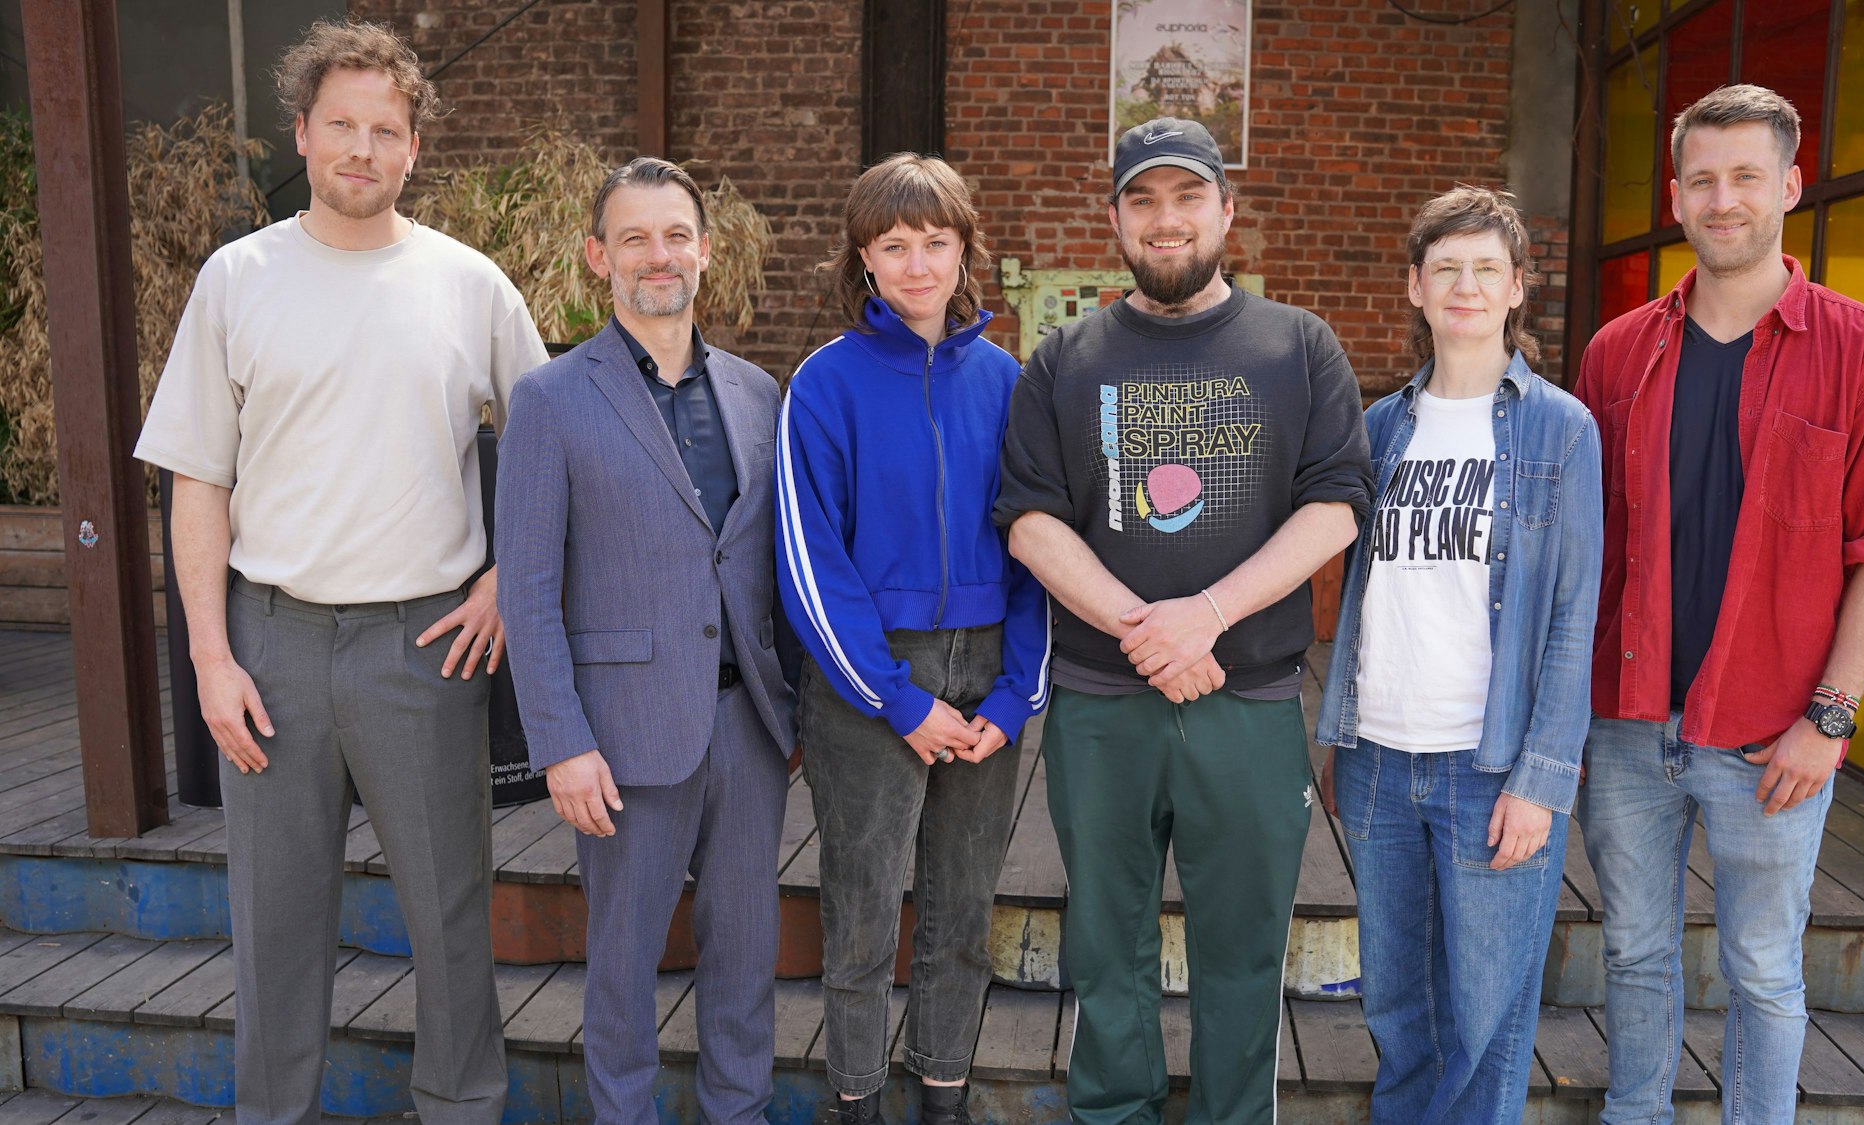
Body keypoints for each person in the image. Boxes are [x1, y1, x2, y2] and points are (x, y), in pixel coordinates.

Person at [131, 20, 546, 1125]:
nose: (363, 148)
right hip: (273, 645)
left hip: (426, 644)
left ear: (414, 148)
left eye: (386, 130)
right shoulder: (237, 279)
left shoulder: (470, 284)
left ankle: (460, 1107)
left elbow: (553, 455)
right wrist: (210, 658)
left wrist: (506, 581)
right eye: (343, 125)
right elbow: (197, 481)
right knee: (274, 919)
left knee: (450, 913)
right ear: (303, 133)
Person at [995, 117, 1374, 1125]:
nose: (1166, 220)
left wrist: (1205, 616)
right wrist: (1147, 630)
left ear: (1226, 209)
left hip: (1246, 705)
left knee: (1243, 952)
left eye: (1187, 196)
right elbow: (1030, 521)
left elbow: (1336, 506)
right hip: (1101, 706)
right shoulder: (1063, 358)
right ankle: (1112, 1112)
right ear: (1114, 218)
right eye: (1143, 200)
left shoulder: (1297, 346)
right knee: (1102, 946)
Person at [1575, 85, 1864, 1124]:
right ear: (1674, 197)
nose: (1721, 199)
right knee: (1633, 951)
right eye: (1701, 179)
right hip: (1626, 723)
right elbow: (1585, 549)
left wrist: (1829, 717)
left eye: (1744, 176)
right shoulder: (1616, 352)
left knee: (1764, 970)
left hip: (1775, 734)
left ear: (1789, 185)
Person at [494, 158, 797, 1125]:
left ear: (704, 251)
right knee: (622, 966)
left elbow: (771, 563)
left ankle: (738, 1112)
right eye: (634, 238)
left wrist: (792, 707)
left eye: (674, 236)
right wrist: (561, 744)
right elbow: (527, 590)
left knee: (746, 955)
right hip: (620, 737)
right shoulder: (550, 399)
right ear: (600, 257)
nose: (657, 256)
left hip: (748, 728)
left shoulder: (757, 393)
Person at [1314, 186, 1601, 1122]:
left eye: (1486, 268)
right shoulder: (1381, 427)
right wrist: (1340, 735)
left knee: (1486, 1020)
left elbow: (1574, 615)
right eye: (1447, 268)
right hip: (1378, 758)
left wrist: (1542, 777)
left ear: (1517, 287)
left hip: (1491, 767)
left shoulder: (1561, 429)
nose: (1466, 286)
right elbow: (1364, 594)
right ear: (1416, 287)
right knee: (1399, 1009)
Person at [776, 153, 1052, 1125]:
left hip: (986, 674)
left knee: (960, 912)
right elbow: (811, 560)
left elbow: (1036, 545)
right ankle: (855, 1102)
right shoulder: (824, 383)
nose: (917, 264)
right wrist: (894, 696)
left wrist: (1015, 694)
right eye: (893, 245)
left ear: (964, 249)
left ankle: (944, 1098)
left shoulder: (1008, 381)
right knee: (860, 914)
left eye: (935, 242)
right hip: (869, 677)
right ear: (863, 258)